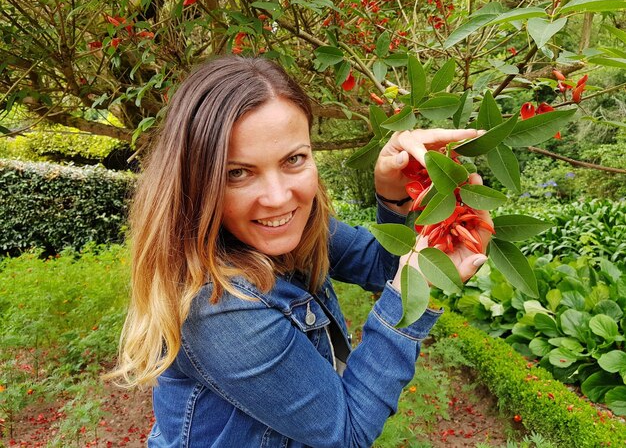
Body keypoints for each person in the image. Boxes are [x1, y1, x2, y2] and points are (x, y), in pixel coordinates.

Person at [110, 55, 490, 447]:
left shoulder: (298, 228)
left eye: (294, 159)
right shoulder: (217, 303)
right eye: (237, 172)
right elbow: (346, 434)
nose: (278, 199)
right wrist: (414, 288)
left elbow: (381, 267)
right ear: (195, 181)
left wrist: (392, 195)